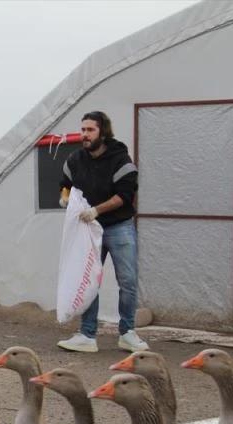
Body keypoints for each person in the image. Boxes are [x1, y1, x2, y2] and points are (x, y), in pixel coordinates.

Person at [56, 111, 149, 353]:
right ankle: (87, 335)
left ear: (103, 132)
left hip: (119, 227)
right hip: (89, 230)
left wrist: (96, 210)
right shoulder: (76, 159)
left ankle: (127, 333)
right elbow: (65, 184)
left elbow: (125, 196)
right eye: (83, 130)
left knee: (127, 280)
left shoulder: (120, 159)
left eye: (90, 130)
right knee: (88, 280)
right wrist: (65, 197)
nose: (84, 135)